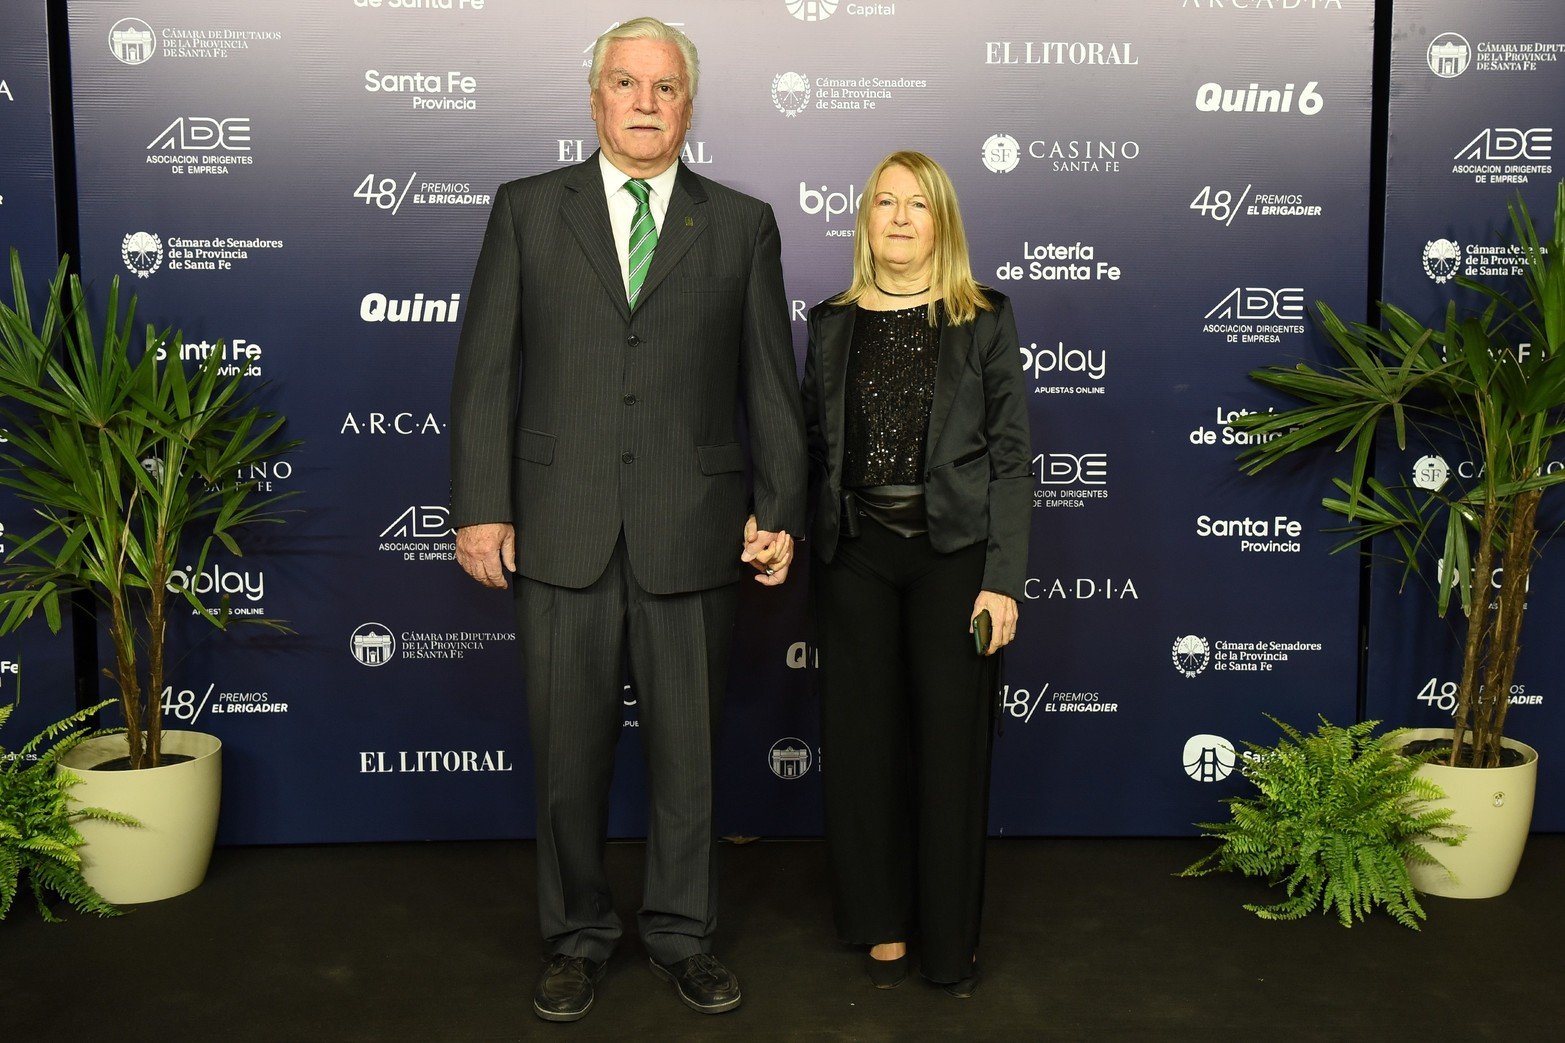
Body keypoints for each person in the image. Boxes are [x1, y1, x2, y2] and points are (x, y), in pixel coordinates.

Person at [448, 17, 804, 1023]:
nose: (645, 103)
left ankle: (683, 937)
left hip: (691, 529)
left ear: (688, 104)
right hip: (558, 531)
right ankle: (574, 938)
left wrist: (777, 507)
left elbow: (768, 388)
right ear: (592, 99)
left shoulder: (740, 223)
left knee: (688, 760)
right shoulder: (525, 210)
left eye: (664, 88)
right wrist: (480, 507)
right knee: (566, 763)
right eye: (625, 84)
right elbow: (483, 375)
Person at [800, 150, 1031, 997]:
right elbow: (812, 449)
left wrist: (1001, 578)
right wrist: (778, 529)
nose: (898, 218)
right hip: (854, 555)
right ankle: (880, 922)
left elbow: (1012, 459)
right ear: (864, 218)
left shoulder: (983, 317)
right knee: (861, 750)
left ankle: (947, 941)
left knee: (948, 750)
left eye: (916, 205)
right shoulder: (830, 321)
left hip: (954, 562)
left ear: (942, 222)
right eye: (883, 202)